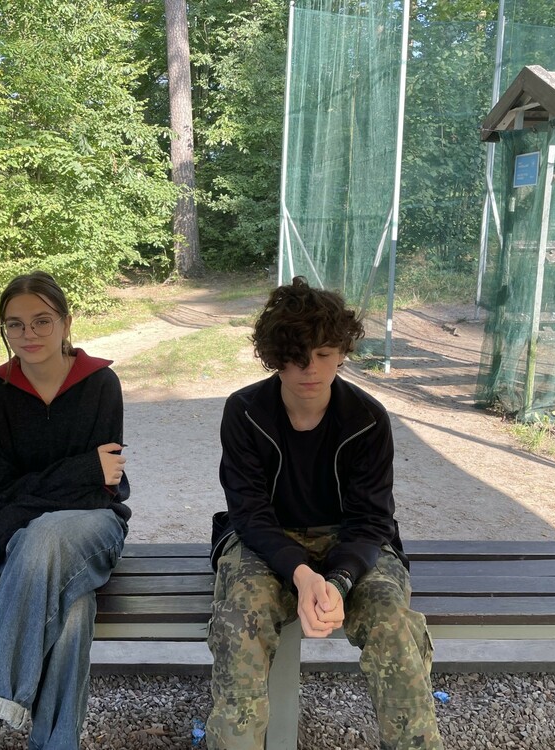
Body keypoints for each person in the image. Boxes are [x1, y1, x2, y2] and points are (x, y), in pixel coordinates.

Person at [206, 277, 443, 750]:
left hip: (350, 541)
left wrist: (338, 581)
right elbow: (249, 513)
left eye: (323, 353)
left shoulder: (367, 419)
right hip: (266, 538)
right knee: (240, 619)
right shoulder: (245, 412)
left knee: (391, 619)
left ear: (342, 352)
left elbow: (372, 520)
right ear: (274, 357)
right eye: (295, 356)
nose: (310, 368)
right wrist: (301, 573)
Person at [0, 271, 130, 750]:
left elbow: (100, 491)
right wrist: (84, 468)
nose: (28, 334)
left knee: (46, 533)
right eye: (15, 324)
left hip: (96, 527)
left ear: (66, 323)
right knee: (73, 609)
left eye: (41, 321)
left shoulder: (100, 384)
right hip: (25, 540)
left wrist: (20, 511)